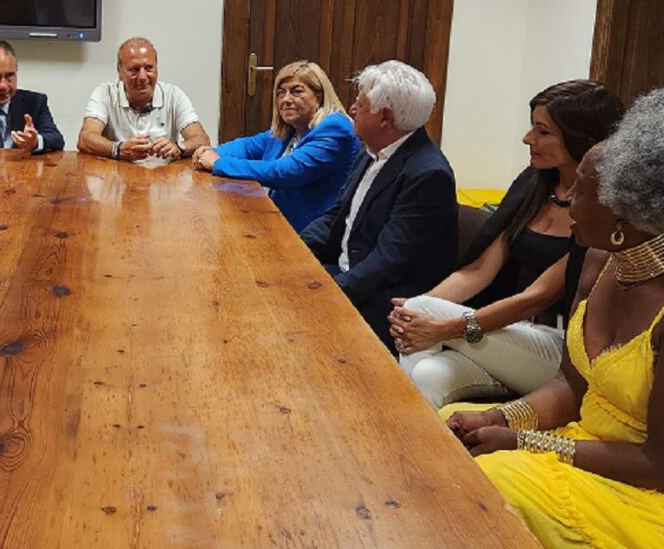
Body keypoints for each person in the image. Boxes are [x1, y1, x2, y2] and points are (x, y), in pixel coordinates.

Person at [446, 90, 664, 548]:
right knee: (446, 427)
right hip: (581, 448)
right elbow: (571, 386)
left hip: (640, 492)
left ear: (625, 207)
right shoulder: (599, 259)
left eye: (581, 192)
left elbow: (656, 462)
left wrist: (528, 444)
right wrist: (503, 418)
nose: (569, 207)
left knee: (495, 480)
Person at [390, 81, 625, 407]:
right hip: (512, 334)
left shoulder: (603, 206)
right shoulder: (534, 183)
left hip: (563, 351)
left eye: (543, 132)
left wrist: (440, 325)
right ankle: (417, 451)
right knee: (428, 372)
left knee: (417, 310)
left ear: (583, 139)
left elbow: (537, 297)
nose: (528, 138)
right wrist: (418, 312)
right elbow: (480, 270)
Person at [299, 60, 457, 353]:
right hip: (347, 272)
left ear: (385, 118)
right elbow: (338, 216)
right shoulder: (372, 150)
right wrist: (294, 250)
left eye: (360, 104)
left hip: (384, 299)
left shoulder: (427, 174)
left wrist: (328, 292)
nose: (352, 109)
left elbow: (387, 262)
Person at [191, 60, 359, 232]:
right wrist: (209, 152)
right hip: (276, 220)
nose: (286, 99)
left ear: (319, 96)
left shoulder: (335, 128)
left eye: (297, 91)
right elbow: (248, 146)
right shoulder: (292, 129)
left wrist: (218, 163)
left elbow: (284, 172)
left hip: (311, 234)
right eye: (280, 93)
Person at [77, 37, 210, 163]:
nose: (142, 77)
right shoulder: (104, 93)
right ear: (119, 72)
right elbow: (85, 138)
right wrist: (117, 149)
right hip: (117, 177)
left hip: (164, 178)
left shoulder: (174, 95)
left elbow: (201, 139)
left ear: (157, 69)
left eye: (149, 68)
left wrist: (179, 148)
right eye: (134, 70)